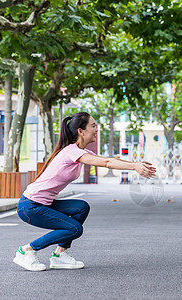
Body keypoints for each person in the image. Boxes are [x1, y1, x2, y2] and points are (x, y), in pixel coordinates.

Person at [13, 112, 156, 271]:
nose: (97, 129)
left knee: (81, 207)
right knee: (74, 229)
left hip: (42, 204)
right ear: (81, 131)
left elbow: (108, 160)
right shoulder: (71, 151)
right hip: (30, 206)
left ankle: (59, 255)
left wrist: (136, 164)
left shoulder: (79, 152)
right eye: (93, 126)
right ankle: (27, 250)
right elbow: (107, 163)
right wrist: (134, 167)